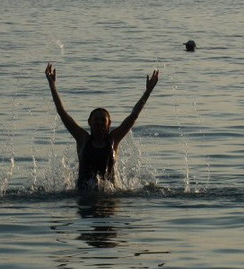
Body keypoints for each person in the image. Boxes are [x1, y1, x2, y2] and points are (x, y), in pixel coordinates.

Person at [44, 63, 160, 192]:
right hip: (83, 198)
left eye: (102, 120)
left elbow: (133, 116)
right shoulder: (82, 138)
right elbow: (62, 112)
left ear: (108, 123)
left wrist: (148, 91)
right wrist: (52, 85)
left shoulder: (114, 139)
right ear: (89, 122)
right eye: (96, 119)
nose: (99, 122)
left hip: (109, 200)